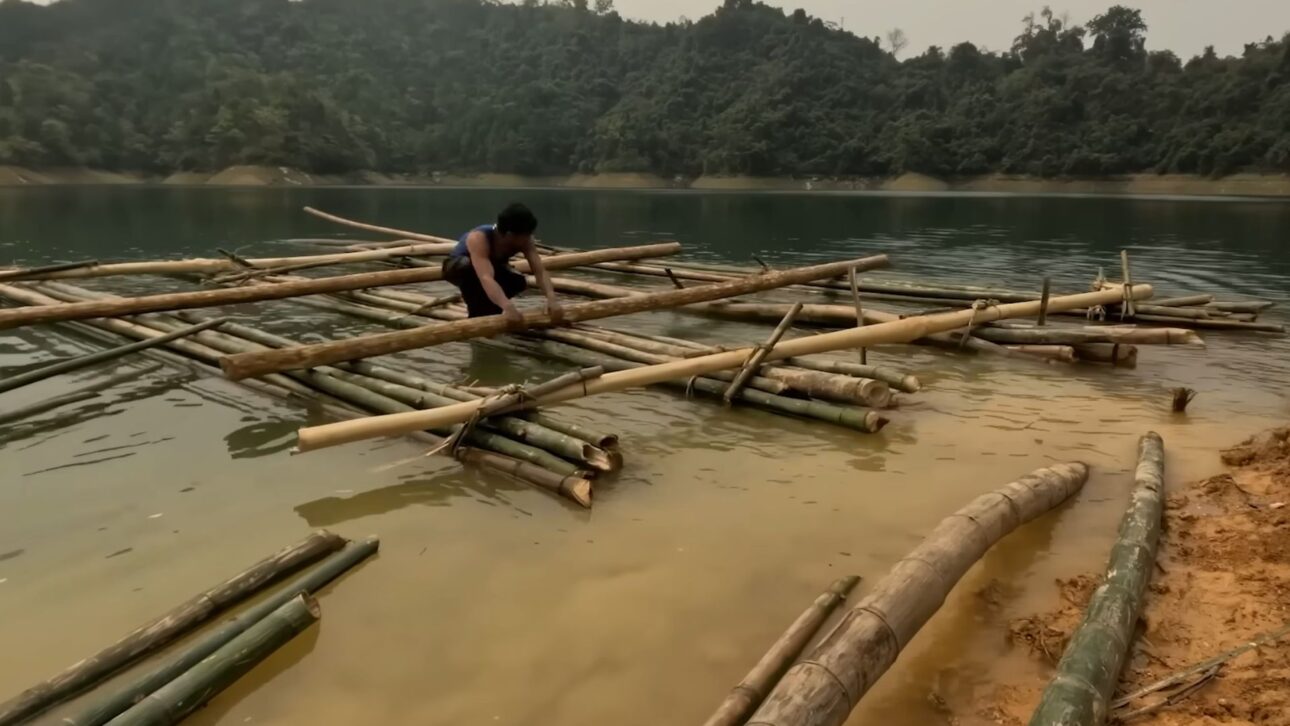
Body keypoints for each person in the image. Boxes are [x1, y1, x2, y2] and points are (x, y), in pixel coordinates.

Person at [442, 203, 564, 324]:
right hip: (459, 268)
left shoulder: (526, 240)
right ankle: (477, 316)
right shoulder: (479, 238)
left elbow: (540, 271)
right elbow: (486, 278)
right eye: (526, 235)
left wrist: (551, 297)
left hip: (491, 268)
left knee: (517, 281)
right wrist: (508, 306)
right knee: (472, 273)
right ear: (510, 235)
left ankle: (493, 311)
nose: (529, 238)